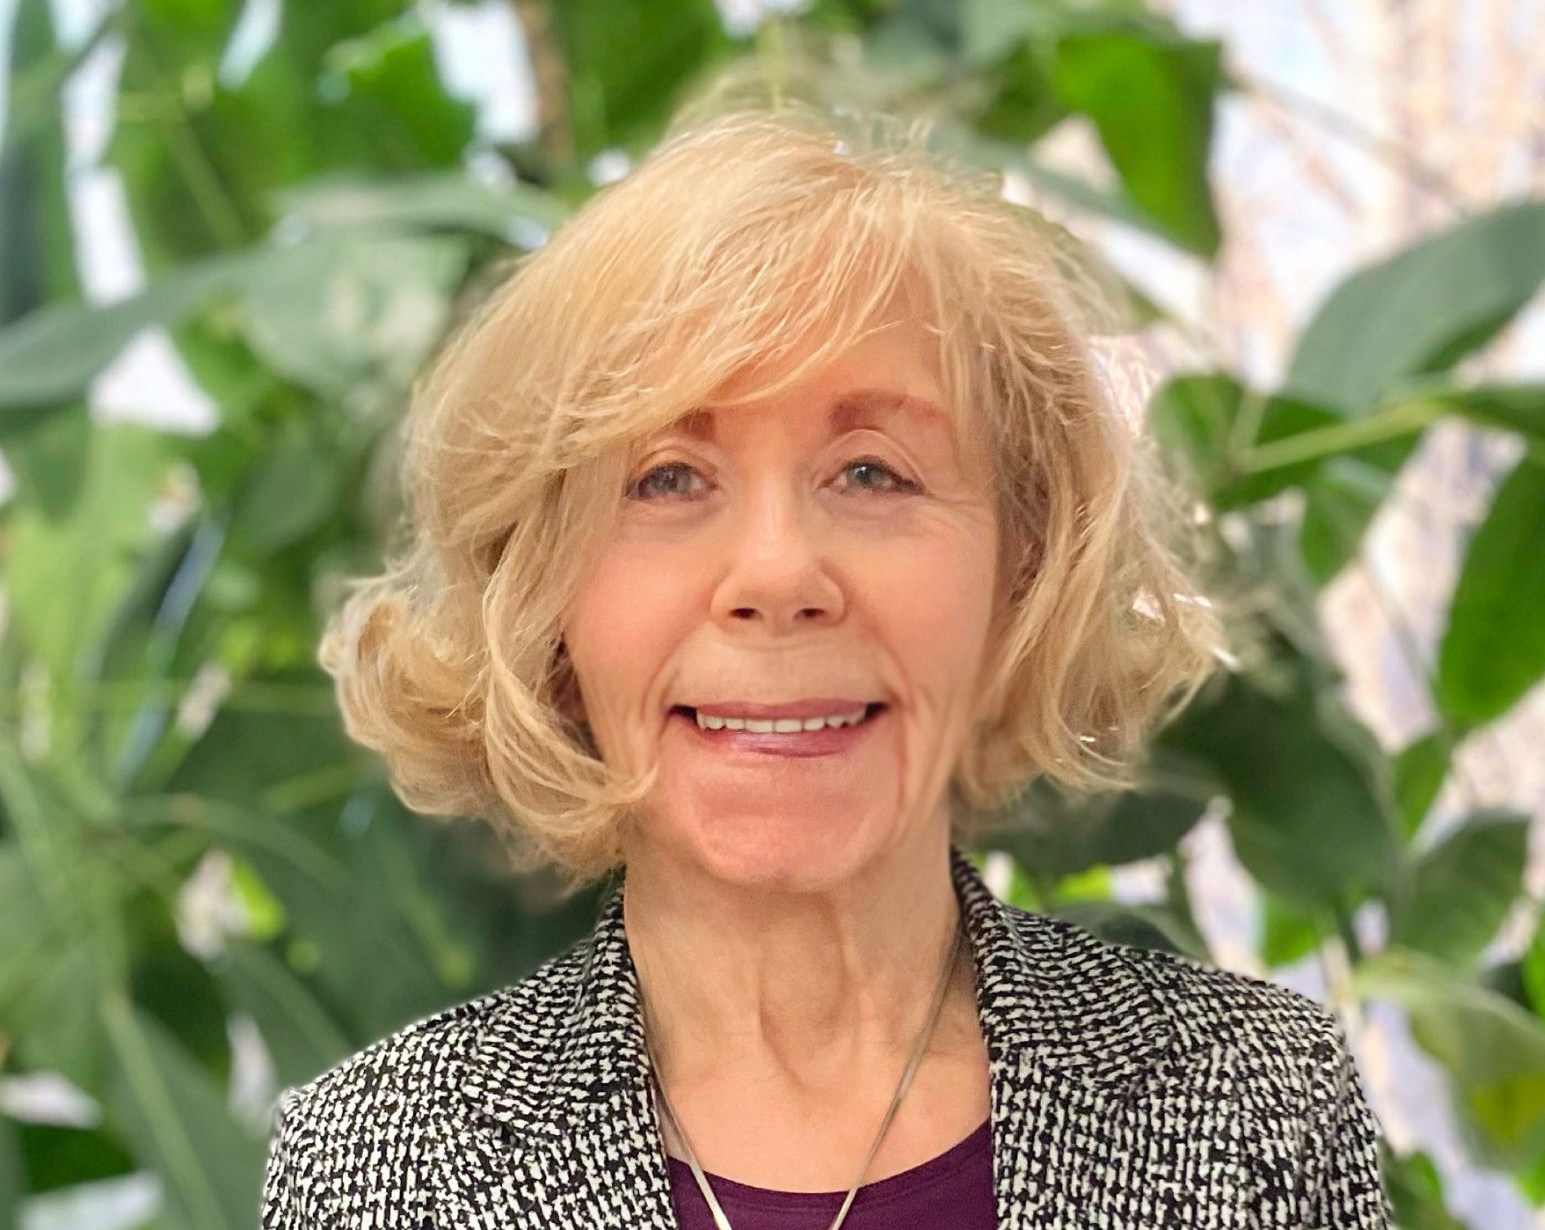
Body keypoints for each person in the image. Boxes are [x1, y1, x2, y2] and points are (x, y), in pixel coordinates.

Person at [260, 95, 1393, 1229]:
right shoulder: (374, 1172)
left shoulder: (1257, 1112)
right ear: (542, 598)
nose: (775, 573)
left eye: (870, 473)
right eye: (666, 478)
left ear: (1023, 573)